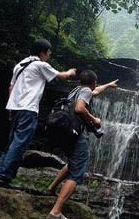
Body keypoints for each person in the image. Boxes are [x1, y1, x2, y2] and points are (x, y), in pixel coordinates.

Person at [0, 39, 77, 187]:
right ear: (43, 52)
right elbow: (62, 76)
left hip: (15, 107)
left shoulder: (20, 65)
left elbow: (11, 87)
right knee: (19, 144)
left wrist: (11, 107)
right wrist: (71, 72)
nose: (49, 55)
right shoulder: (40, 65)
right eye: (48, 53)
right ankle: (3, 177)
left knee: (12, 143)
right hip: (28, 109)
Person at [46, 70, 118, 219]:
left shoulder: (77, 90)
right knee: (77, 172)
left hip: (65, 132)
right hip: (77, 134)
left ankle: (51, 188)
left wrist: (109, 85)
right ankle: (55, 212)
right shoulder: (86, 91)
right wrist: (94, 120)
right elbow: (79, 108)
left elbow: (96, 91)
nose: (96, 86)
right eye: (96, 83)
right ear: (93, 82)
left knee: (72, 162)